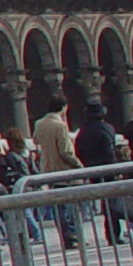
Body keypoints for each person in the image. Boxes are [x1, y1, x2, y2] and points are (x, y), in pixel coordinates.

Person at [75, 102, 131, 244]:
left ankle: (112, 232)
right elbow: (109, 151)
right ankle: (114, 232)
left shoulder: (83, 132)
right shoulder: (106, 128)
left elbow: (79, 152)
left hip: (92, 170)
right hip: (108, 169)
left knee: (105, 202)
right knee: (111, 202)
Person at [33, 99, 82, 248]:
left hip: (48, 168)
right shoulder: (59, 125)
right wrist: (78, 165)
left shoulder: (39, 123)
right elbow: (65, 151)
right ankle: (73, 235)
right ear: (64, 108)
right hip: (63, 168)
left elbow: (35, 140)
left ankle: (65, 237)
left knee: (58, 206)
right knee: (70, 205)